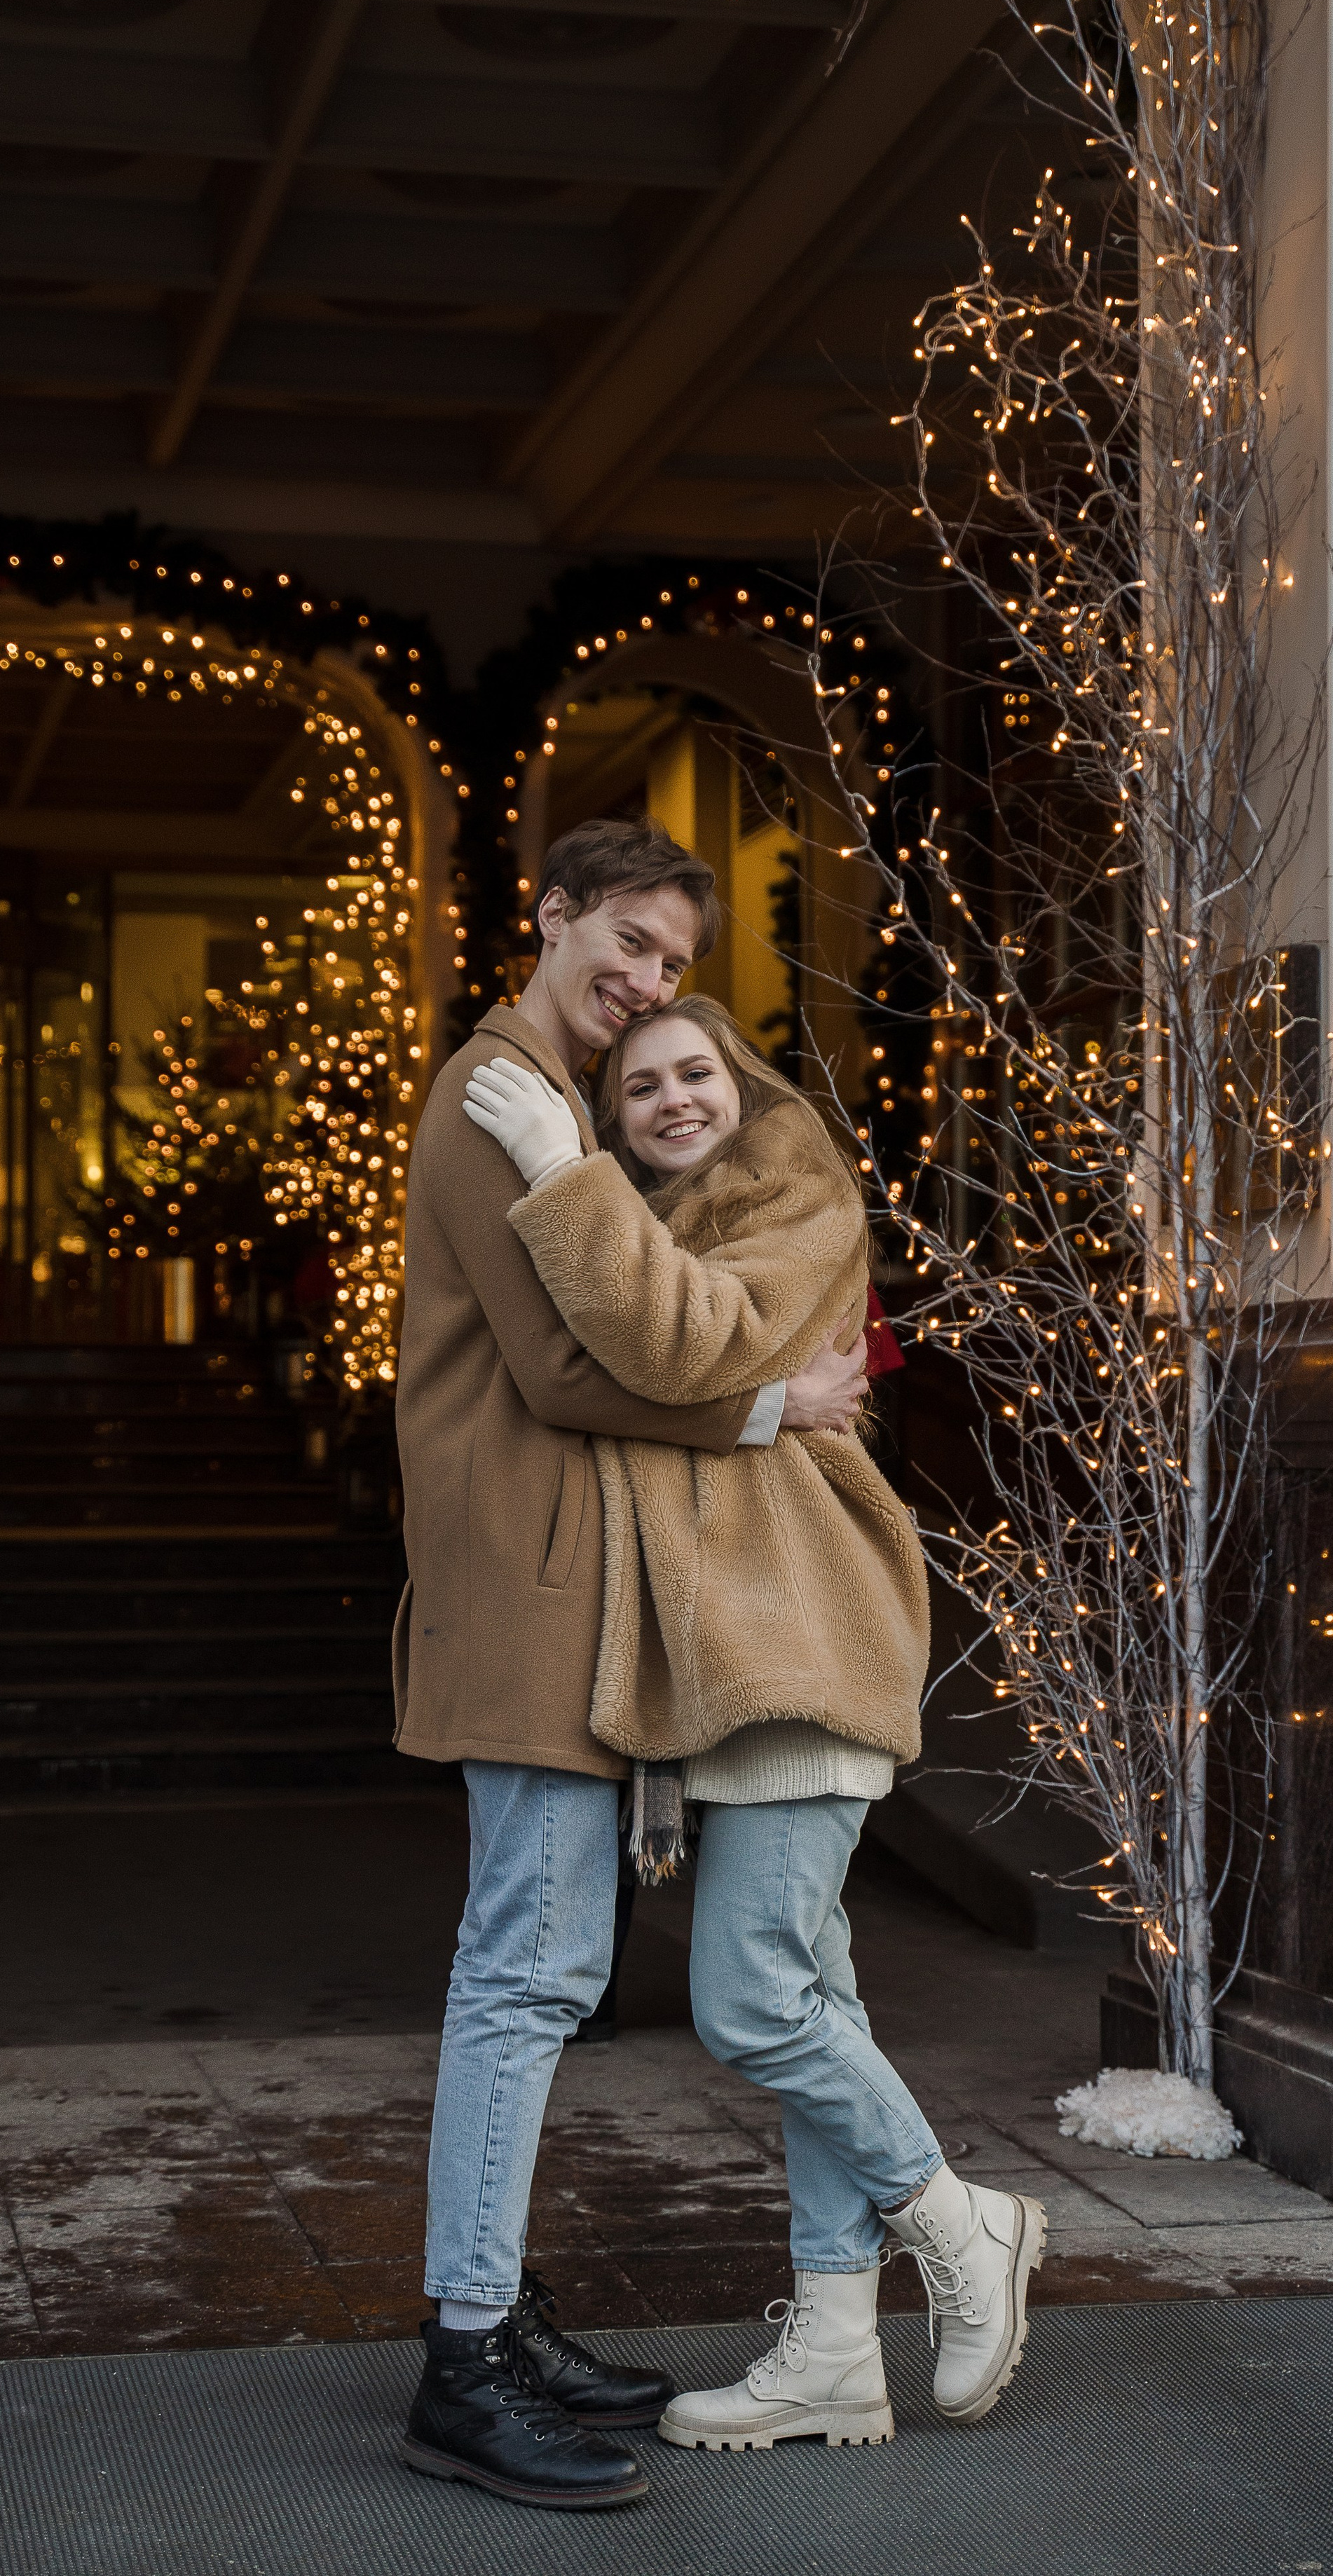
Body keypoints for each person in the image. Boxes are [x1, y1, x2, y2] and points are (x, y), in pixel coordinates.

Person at [463, 994, 1047, 2457]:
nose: (669, 1100)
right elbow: (613, 1379)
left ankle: (958, 2223)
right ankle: (835, 2349)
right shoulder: (656, 1217)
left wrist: (559, 1173)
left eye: (691, 1073)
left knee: (749, 2001)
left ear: (741, 1082)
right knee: (816, 2005)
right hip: (725, 1665)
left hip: (801, 1642)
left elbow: (674, 1344)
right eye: (636, 1087)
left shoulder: (789, 1189)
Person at [392, 819, 869, 2512]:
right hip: (526, 1589)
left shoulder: (555, 1096)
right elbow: (566, 1361)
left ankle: (496, 2316)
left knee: (545, 1970)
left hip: (562, 1594)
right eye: (630, 943)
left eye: (674, 963)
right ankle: (463, 2361)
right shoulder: (493, 1096)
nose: (649, 982)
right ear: (554, 916)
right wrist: (769, 1405)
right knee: (523, 1974)